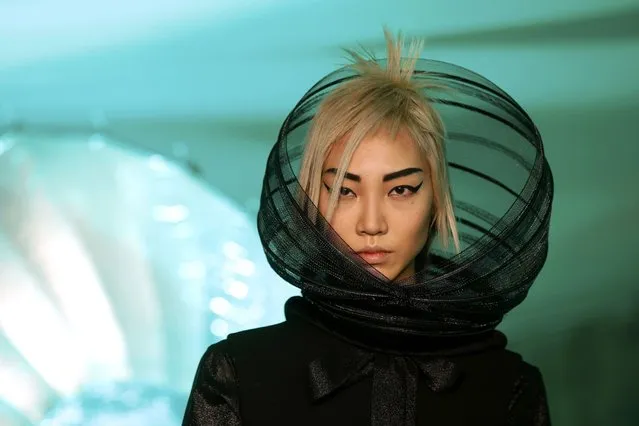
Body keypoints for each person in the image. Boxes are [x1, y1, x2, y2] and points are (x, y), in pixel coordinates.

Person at [182, 29, 553, 425]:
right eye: (344, 190)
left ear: (436, 201)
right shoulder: (238, 373)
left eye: (401, 190)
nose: (372, 224)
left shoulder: (507, 385)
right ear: (312, 202)